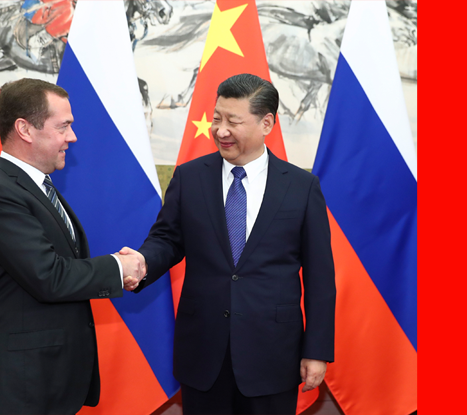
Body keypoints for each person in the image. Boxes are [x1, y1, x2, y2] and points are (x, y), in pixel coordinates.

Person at [121, 74, 336, 415]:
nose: (221, 130)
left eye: (233, 122)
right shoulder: (190, 177)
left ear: (267, 123)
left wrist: (317, 350)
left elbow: (320, 277)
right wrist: (143, 262)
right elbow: (167, 239)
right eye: (217, 118)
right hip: (203, 351)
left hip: (272, 355)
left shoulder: (301, 187)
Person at [0, 78, 143, 415]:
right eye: (63, 127)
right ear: (25, 129)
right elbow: (49, 276)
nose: (72, 137)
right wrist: (118, 267)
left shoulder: (39, 187)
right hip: (17, 385)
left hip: (49, 379)